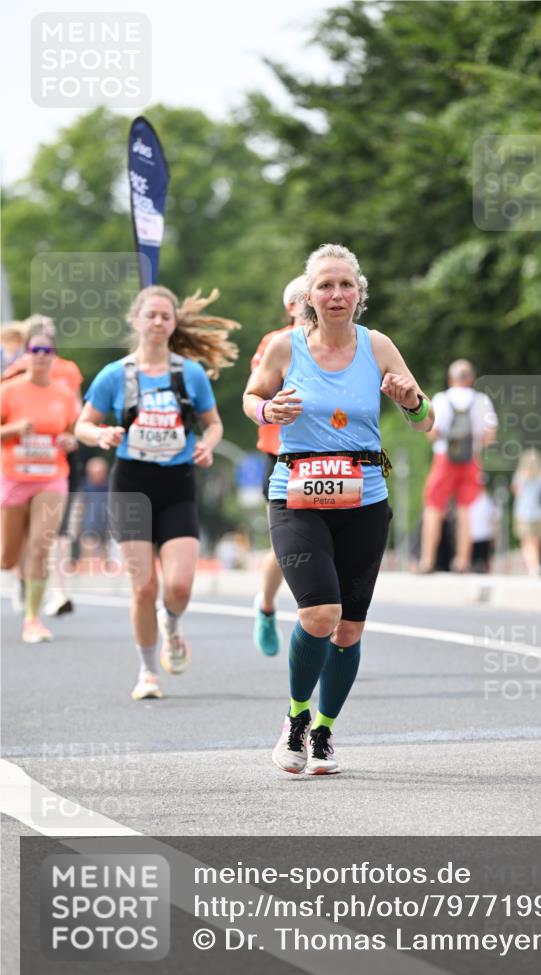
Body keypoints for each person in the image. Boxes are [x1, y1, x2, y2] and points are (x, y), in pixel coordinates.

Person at [243, 243, 434, 775]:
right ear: (308, 295)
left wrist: (410, 400)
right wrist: (267, 407)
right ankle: (296, 720)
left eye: (345, 285)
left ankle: (325, 730)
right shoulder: (284, 347)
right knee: (319, 614)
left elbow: (426, 420)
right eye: (325, 285)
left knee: (349, 630)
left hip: (365, 499)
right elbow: (251, 396)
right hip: (296, 494)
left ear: (359, 294)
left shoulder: (378, 347)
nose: (336, 294)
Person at [75, 285, 238, 700]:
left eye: (166, 316)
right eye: (152, 315)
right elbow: (82, 425)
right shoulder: (117, 374)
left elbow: (213, 423)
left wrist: (208, 445)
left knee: (179, 587)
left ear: (173, 323)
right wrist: (103, 434)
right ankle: (148, 672)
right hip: (131, 484)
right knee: (143, 587)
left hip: (177, 483)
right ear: (137, 321)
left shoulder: (189, 373)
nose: (159, 322)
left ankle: (172, 625)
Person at [0, 326, 79, 641]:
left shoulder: (64, 395)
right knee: (7, 557)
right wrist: (15, 428)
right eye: (36, 351)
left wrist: (70, 440)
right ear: (26, 355)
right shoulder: (9, 390)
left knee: (40, 546)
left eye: (48, 351)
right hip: (14, 477)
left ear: (54, 356)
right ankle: (19, 577)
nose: (42, 357)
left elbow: (76, 430)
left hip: (51, 477)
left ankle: (32, 619)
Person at [249, 275, 307, 656]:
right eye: (305, 299)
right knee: (289, 548)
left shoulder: (346, 342)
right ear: (291, 307)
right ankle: (266, 606)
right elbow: (259, 392)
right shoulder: (276, 344)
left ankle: (324, 632)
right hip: (284, 456)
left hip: (334, 458)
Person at [419, 359, 497, 573]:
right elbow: (490, 436)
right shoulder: (482, 401)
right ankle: (462, 561)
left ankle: (427, 561)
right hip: (470, 460)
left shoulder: (442, 399)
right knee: (466, 509)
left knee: (434, 507)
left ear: (450, 378)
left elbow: (432, 432)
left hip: (444, 458)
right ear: (471, 379)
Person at [512, 447, 541, 576]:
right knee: (536, 542)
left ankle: (532, 566)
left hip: (523, 513)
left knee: (527, 542)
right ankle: (535, 565)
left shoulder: (519, 476)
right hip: (540, 513)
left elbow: (516, 492)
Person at [468, 480, 498, 573]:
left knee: (484, 562)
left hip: (485, 535)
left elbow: (494, 518)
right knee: (472, 562)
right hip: (471, 535)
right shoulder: (468, 499)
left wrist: (494, 534)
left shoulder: (490, 501)